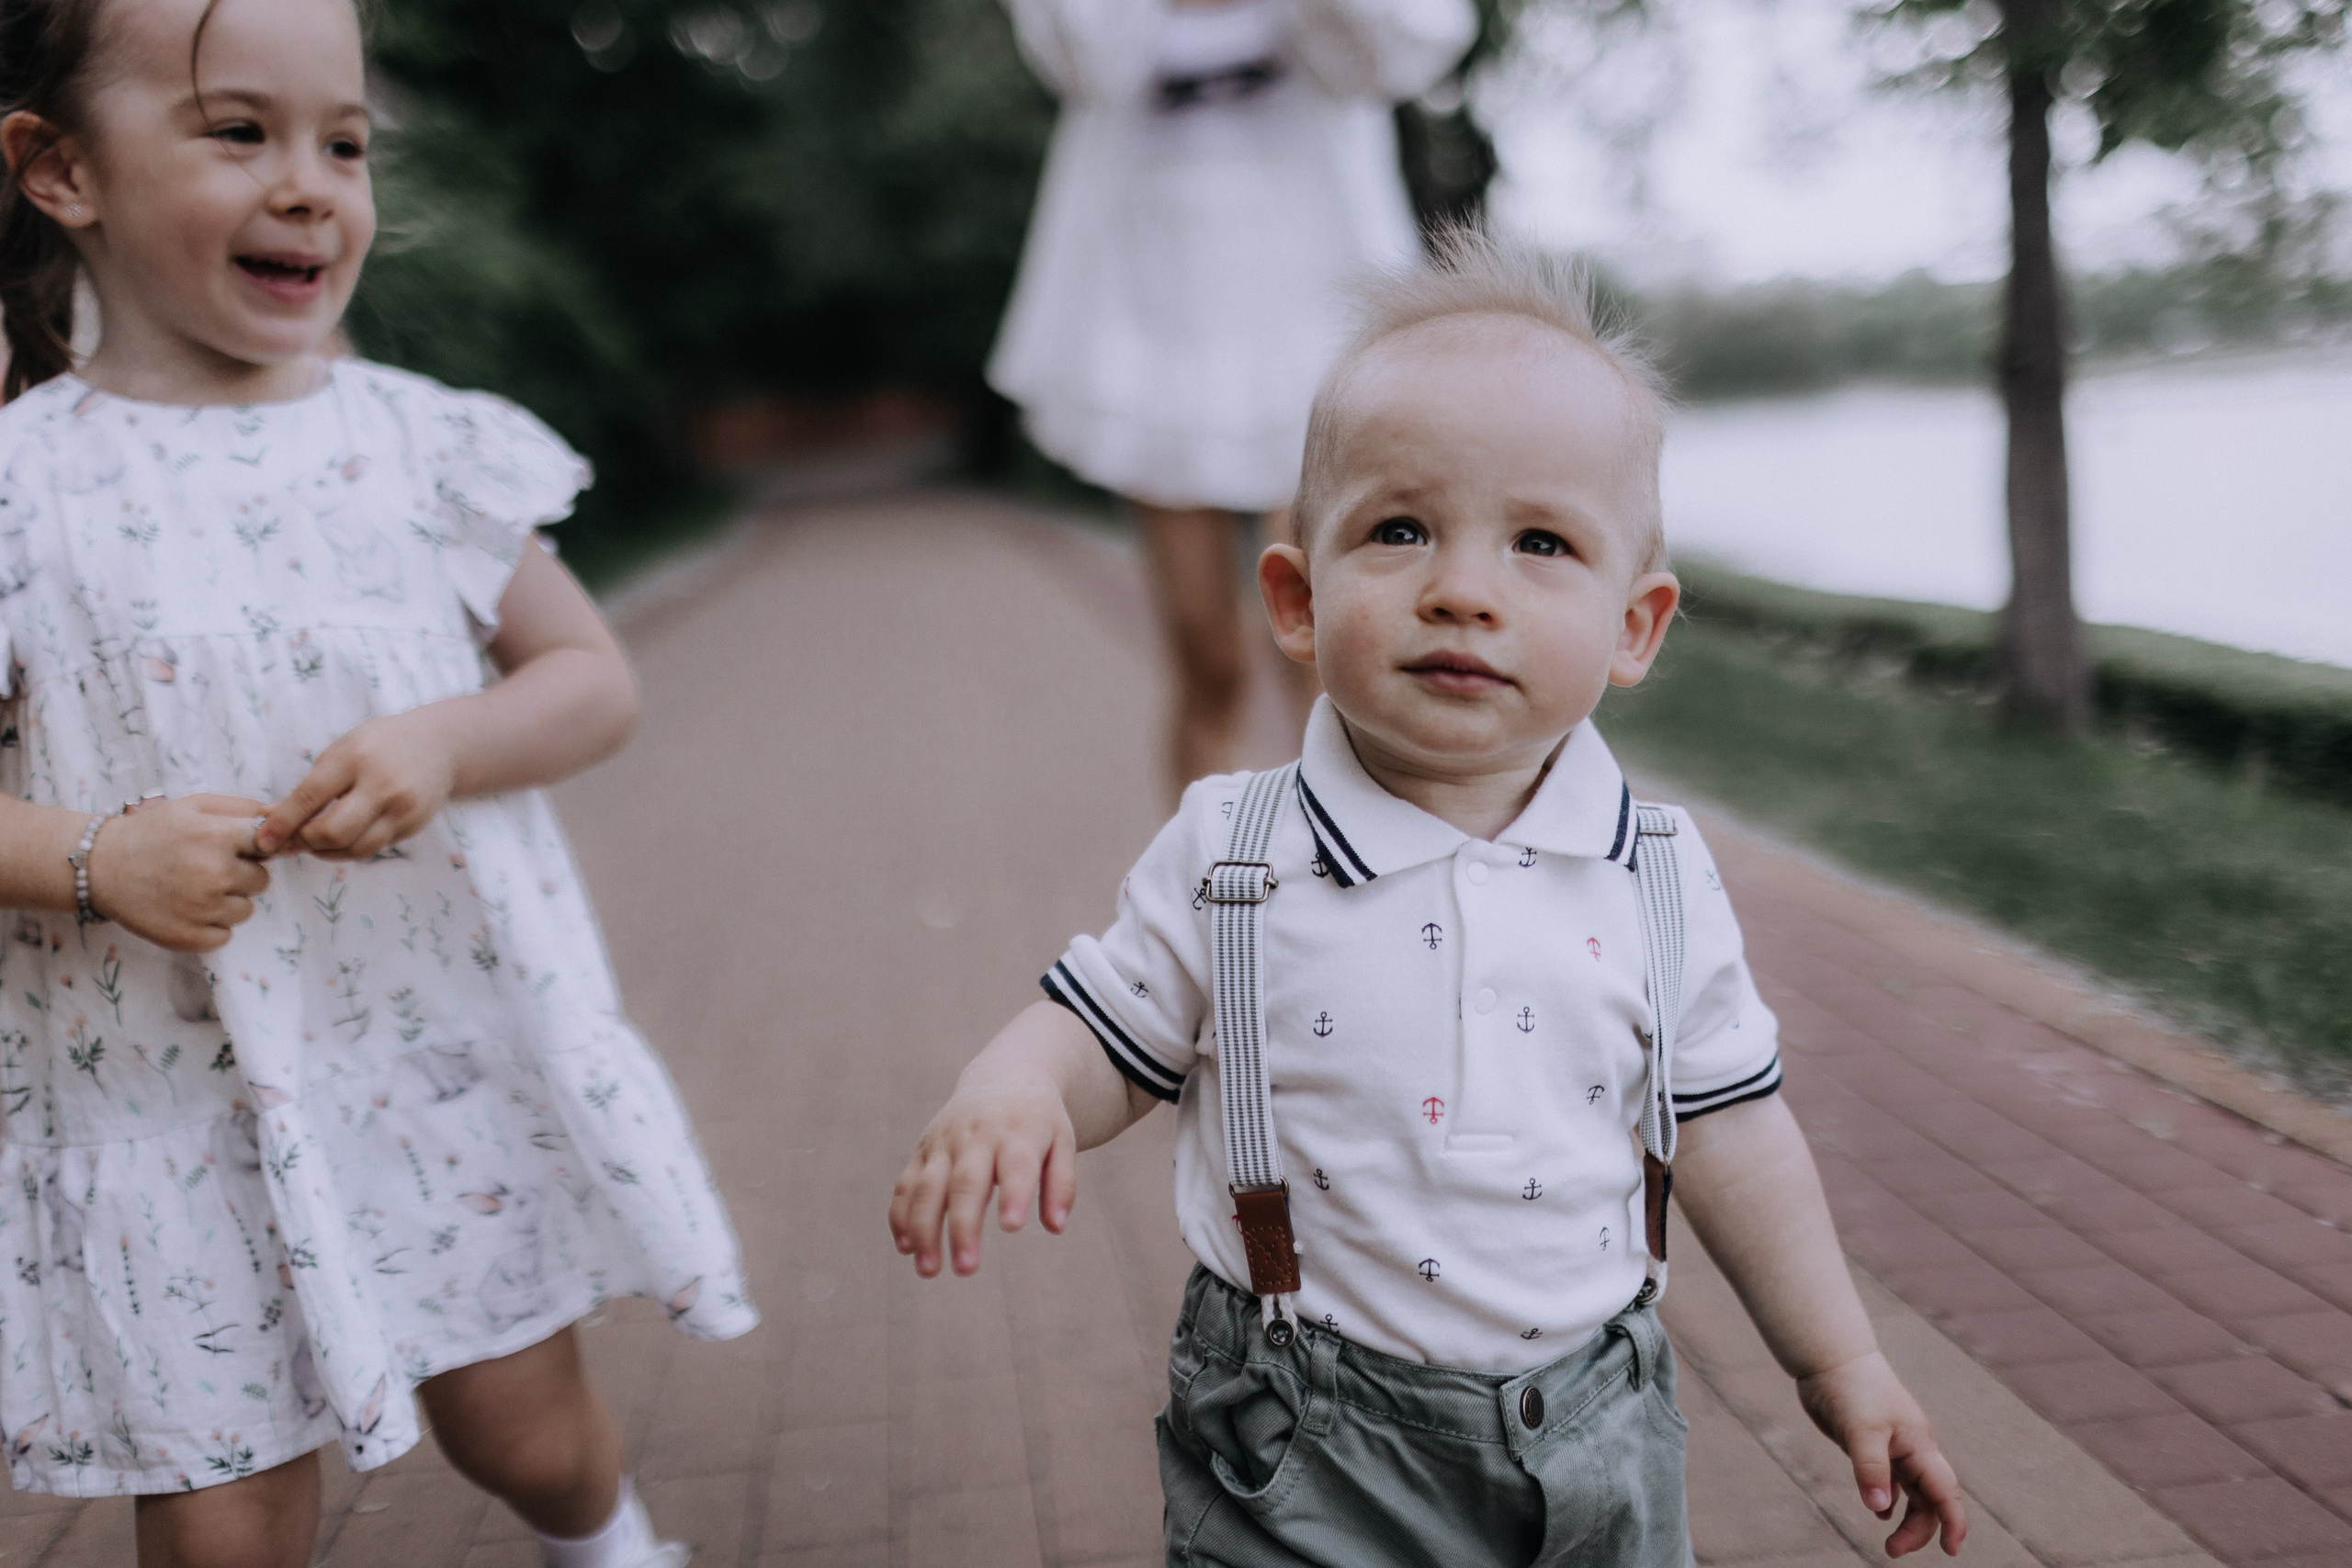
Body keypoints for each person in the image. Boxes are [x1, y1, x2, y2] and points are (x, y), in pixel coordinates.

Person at [890, 231, 1969, 1565]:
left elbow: (1737, 1134)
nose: (1462, 587)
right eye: (1399, 529)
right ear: (1295, 592)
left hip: (1600, 1429)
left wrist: (1841, 1360)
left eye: (1541, 542)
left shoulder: (1657, 871)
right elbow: (1104, 1036)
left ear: (1636, 626)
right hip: (1302, 1439)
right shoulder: (1238, 850)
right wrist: (1015, 1087)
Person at [0, 2, 754, 1563]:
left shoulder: (418, 448)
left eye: (342, 142)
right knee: (223, 1532)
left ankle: (609, 1542)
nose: (309, 183)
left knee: (529, 1433)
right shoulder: (23, 491)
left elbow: (589, 679)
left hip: (425, 1058)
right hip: (162, 1096)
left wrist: (443, 738)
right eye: (237, 131)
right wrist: (92, 856)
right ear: (59, 169)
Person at [989, 0, 1475, 795]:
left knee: (1327, 647)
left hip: (1316, 331)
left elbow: (1408, 50)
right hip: (1152, 338)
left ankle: (1343, 885)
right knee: (1208, 660)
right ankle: (1204, 902)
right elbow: (1082, 67)